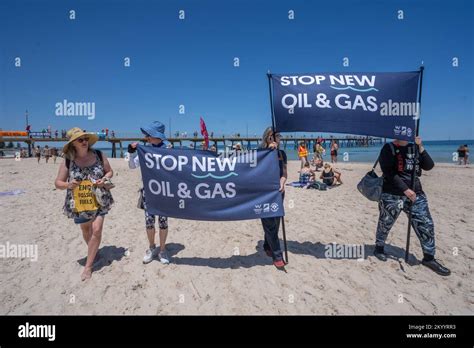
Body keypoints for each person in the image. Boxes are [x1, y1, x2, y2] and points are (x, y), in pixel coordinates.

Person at [373, 136, 450, 276]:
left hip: (416, 194)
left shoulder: (414, 147)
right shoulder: (388, 148)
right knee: (385, 223)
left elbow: (429, 166)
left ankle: (429, 258)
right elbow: (388, 172)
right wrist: (405, 190)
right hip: (392, 194)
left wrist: (420, 147)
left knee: (426, 224)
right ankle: (379, 248)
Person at [54, 127, 114, 281]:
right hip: (80, 202)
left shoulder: (99, 155)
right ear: (73, 143)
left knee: (97, 229)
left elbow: (109, 171)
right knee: (86, 230)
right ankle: (94, 252)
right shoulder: (68, 160)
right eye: (80, 140)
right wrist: (68, 185)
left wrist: (104, 179)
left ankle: (88, 267)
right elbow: (58, 183)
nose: (84, 142)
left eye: (86, 139)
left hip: (99, 198)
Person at [128, 121, 171, 265]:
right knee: (149, 221)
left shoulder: (169, 149)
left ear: (156, 135)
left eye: (149, 135)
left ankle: (163, 250)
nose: (146, 137)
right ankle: (152, 248)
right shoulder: (145, 150)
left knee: (163, 222)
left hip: (165, 192)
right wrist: (131, 152)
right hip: (149, 191)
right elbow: (132, 166)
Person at [259, 127, 287, 269]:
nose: (276, 139)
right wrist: (269, 151)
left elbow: (284, 173)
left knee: (275, 222)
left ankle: (266, 244)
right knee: (269, 222)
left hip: (278, 192)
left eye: (278, 136)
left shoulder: (282, 153)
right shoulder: (260, 154)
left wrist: (282, 182)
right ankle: (277, 255)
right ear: (267, 138)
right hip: (263, 193)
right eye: (272, 136)